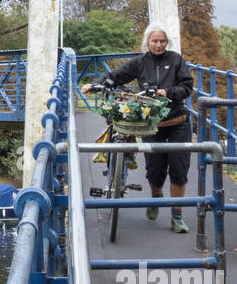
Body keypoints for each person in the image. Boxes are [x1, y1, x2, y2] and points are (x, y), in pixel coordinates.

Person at [82, 23, 194, 233]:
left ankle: (177, 217)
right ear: (148, 42)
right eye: (154, 41)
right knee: (155, 169)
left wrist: (167, 92)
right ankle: (156, 197)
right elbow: (115, 77)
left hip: (177, 122)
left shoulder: (176, 60)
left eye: (162, 41)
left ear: (167, 42)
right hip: (152, 124)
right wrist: (94, 84)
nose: (158, 45)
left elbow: (187, 86)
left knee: (179, 170)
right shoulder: (141, 62)